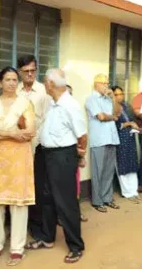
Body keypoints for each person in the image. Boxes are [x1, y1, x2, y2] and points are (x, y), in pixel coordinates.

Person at [26, 69, 86, 264]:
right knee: (46, 198)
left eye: (45, 82)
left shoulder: (71, 105)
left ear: (51, 84)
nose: (43, 85)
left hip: (63, 156)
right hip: (46, 155)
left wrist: (80, 155)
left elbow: (82, 136)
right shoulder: (53, 103)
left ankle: (76, 246)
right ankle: (47, 237)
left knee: (65, 201)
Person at [0, 67, 36, 266]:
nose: (12, 83)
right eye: (8, 79)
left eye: (14, 79)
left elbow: (30, 132)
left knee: (18, 204)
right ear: (0, 82)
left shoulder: (25, 103)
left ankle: (16, 249)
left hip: (19, 160)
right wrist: (13, 134)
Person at [17, 55, 52, 238]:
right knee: (21, 186)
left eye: (33, 70)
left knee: (39, 188)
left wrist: (35, 139)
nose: (30, 74)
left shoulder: (44, 92)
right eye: (26, 71)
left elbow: (47, 119)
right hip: (19, 147)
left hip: (39, 146)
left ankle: (38, 226)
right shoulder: (16, 91)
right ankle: (20, 226)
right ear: (20, 72)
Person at [85, 74, 120, 212]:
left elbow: (118, 111)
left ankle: (107, 198)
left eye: (107, 83)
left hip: (112, 138)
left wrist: (113, 98)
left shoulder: (108, 99)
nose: (107, 85)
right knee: (98, 171)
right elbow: (101, 117)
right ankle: (97, 201)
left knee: (108, 171)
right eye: (104, 83)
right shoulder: (91, 99)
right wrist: (113, 118)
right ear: (96, 84)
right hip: (99, 139)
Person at [112, 86, 141, 203]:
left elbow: (133, 119)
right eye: (117, 94)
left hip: (130, 137)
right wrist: (128, 124)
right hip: (120, 138)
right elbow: (113, 125)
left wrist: (132, 124)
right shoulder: (111, 108)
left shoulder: (126, 106)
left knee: (132, 162)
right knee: (122, 163)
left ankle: (134, 191)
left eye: (121, 94)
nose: (120, 96)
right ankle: (127, 192)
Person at [66, 84, 88, 223]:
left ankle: (76, 213)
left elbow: (82, 137)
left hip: (73, 154)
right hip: (58, 156)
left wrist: (81, 156)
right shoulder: (53, 111)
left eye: (70, 94)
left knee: (75, 186)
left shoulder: (75, 113)